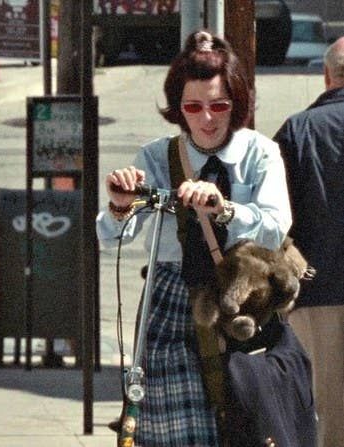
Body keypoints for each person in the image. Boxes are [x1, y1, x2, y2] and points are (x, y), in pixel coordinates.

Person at [96, 30, 291, 445]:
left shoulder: (259, 153)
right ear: (178, 109)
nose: (207, 118)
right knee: (177, 433)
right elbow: (114, 237)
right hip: (172, 303)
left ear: (235, 103)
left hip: (244, 307)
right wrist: (118, 205)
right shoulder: (157, 156)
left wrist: (225, 209)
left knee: (247, 427)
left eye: (218, 105)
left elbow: (277, 224)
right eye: (193, 106)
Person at [273, 36, 344, 447]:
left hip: (316, 296)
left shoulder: (298, 131)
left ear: (326, 76)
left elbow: (277, 222)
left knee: (325, 417)